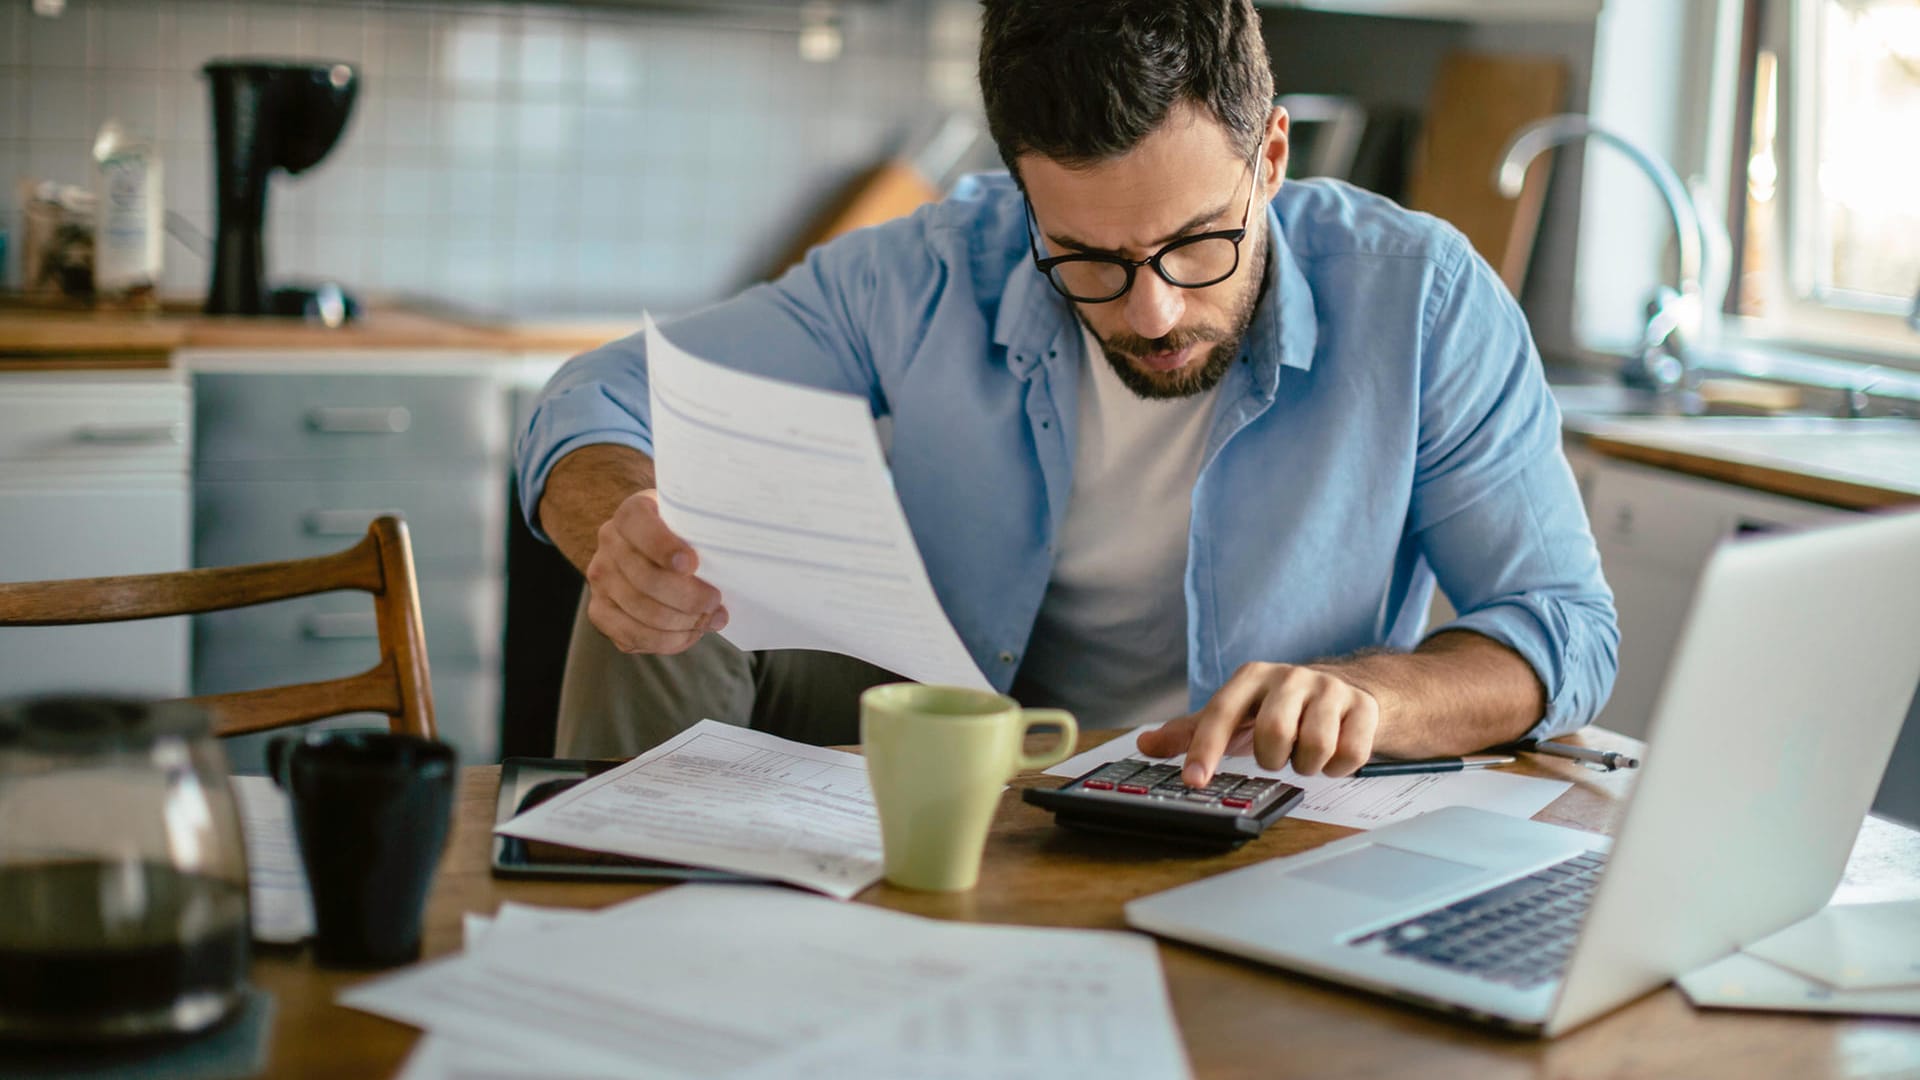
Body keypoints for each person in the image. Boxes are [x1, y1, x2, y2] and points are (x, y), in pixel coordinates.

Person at [516, 0, 1618, 786]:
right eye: (1086, 257)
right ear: (1023, 199)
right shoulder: (936, 266)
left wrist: (1374, 699)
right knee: (657, 542)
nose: (1149, 312)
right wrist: (618, 522)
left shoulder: (1421, 298)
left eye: (1196, 246)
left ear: (1271, 156)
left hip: (1239, 802)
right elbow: (596, 396)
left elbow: (1562, 627)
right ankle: (624, 938)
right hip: (958, 746)